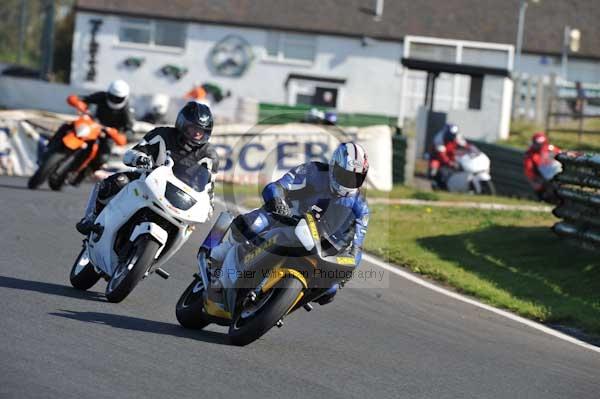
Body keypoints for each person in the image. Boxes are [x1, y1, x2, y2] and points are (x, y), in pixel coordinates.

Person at [210, 142, 370, 306]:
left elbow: (357, 247)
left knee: (330, 290)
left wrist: (345, 273)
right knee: (254, 224)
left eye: (355, 178)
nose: (349, 182)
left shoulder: (361, 207)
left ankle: (281, 303)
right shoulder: (314, 171)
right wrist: (278, 203)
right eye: (345, 175)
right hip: (285, 217)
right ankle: (217, 261)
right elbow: (277, 186)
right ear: (333, 166)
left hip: (318, 244)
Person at [76, 101, 220, 235]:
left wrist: (209, 205)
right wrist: (139, 158)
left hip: (181, 198)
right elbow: (133, 152)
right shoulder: (162, 134)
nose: (196, 134)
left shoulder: (210, 155)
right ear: (182, 123)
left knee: (187, 228)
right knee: (117, 181)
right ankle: (92, 217)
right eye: (193, 128)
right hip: (148, 181)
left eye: (201, 131)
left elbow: (209, 186)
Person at [56, 80, 135, 172]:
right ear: (108, 93)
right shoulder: (101, 96)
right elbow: (83, 99)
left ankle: (86, 172)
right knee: (67, 126)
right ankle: (51, 147)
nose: (114, 100)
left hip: (109, 133)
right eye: (112, 97)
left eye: (118, 98)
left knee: (102, 158)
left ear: (125, 97)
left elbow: (130, 131)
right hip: (93, 124)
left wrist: (121, 135)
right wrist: (78, 102)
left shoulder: (127, 111)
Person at [428, 123, 469, 189]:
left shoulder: (457, 136)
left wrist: (469, 150)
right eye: (450, 135)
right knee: (433, 170)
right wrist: (449, 162)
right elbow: (441, 154)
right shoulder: (439, 138)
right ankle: (435, 183)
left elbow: (465, 145)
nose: (452, 136)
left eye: (453, 135)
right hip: (437, 157)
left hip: (451, 155)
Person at [524, 132, 561, 199]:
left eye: (541, 144)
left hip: (555, 174)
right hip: (541, 177)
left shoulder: (550, 148)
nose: (539, 146)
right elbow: (529, 170)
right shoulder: (530, 154)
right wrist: (535, 181)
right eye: (537, 144)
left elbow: (561, 153)